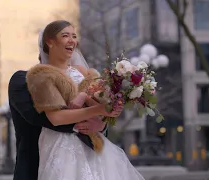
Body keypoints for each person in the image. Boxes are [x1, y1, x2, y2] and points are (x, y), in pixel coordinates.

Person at [26, 20, 145, 180]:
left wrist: (104, 115)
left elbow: (104, 109)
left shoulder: (84, 72)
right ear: (50, 41)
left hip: (93, 145)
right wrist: (98, 110)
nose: (72, 40)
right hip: (62, 146)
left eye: (74, 36)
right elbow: (55, 118)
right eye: (65, 35)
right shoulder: (41, 75)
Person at [8, 40, 110, 180]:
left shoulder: (84, 81)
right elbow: (39, 117)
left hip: (88, 165)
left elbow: (101, 116)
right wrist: (92, 116)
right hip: (37, 168)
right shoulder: (22, 80)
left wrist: (102, 124)